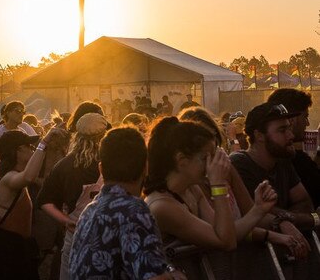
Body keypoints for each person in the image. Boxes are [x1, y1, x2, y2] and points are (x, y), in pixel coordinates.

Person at [144, 116, 278, 254]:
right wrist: (218, 185)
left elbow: (226, 232)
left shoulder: (191, 189)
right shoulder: (162, 206)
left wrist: (258, 210)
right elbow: (226, 242)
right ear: (181, 160)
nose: (212, 165)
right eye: (205, 158)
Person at [70, 126, 185, 280]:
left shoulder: (89, 210)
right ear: (146, 167)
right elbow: (153, 276)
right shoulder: (133, 210)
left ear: (101, 169)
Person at [0, 128, 62, 280]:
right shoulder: (8, 178)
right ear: (18, 150)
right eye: (29, 147)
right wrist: (43, 143)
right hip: (8, 250)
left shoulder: (11, 175)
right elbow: (29, 177)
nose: (32, 149)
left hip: (17, 247)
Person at [37, 113, 109, 280]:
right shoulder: (113, 162)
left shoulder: (65, 165)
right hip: (108, 235)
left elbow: (44, 200)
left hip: (76, 234)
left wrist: (66, 220)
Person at [230, 103, 318, 233]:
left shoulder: (281, 159)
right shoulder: (239, 164)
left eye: (289, 128)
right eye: (282, 130)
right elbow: (255, 211)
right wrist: (307, 219)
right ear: (259, 135)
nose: (291, 136)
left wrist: (285, 219)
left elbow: (305, 203)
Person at [267, 89, 320, 208]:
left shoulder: (286, 157)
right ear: (292, 120)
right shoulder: (287, 157)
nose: (307, 123)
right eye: (305, 117)